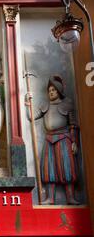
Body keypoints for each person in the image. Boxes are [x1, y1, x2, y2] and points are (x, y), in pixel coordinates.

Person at [25, 75, 80, 205]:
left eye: (53, 90)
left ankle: (70, 197)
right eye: (49, 91)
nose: (51, 92)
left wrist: (74, 141)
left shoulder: (67, 104)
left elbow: (73, 125)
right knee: (49, 169)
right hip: (49, 139)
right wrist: (28, 103)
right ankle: (50, 198)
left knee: (67, 168)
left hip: (63, 139)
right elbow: (31, 117)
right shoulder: (45, 105)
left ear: (59, 91)